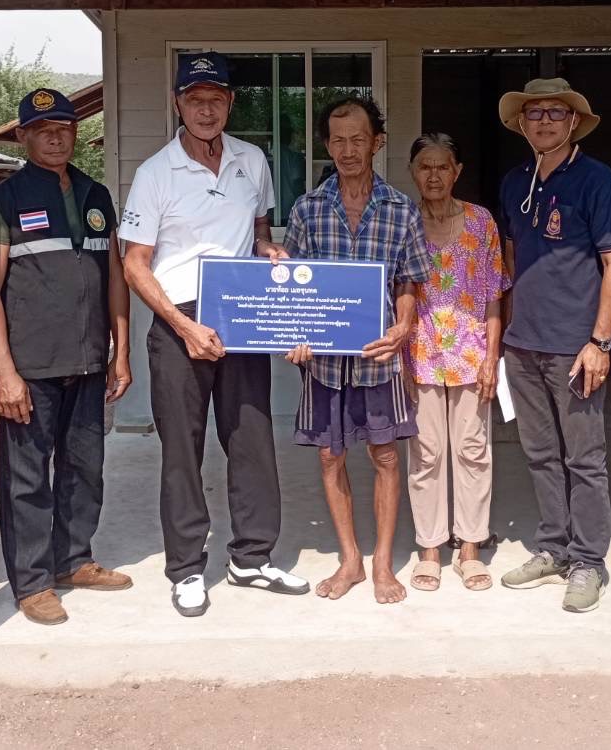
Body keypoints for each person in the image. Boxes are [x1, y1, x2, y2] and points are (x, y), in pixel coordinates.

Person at [120, 52, 309, 619]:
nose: (206, 109)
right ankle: (184, 568)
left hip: (242, 312)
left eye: (216, 99)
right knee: (183, 449)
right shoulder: (157, 171)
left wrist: (268, 251)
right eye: (195, 99)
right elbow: (135, 263)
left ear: (230, 103)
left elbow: (256, 233)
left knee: (251, 438)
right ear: (179, 104)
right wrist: (183, 326)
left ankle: (251, 557)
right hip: (180, 318)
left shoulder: (252, 160)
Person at [0, 88, 133, 627]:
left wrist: (119, 349)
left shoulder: (97, 196)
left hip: (90, 361)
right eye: (44, 129)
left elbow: (115, 278)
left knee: (84, 467)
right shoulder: (4, 201)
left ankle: (74, 560)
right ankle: (32, 581)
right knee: (27, 477)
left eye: (65, 128)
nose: (56, 137)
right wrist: (4, 370)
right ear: (24, 136)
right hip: (31, 366)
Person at [283, 95, 432, 604]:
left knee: (386, 455)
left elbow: (409, 282)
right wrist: (296, 333)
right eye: (338, 139)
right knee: (330, 455)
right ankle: (350, 560)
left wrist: (404, 326)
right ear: (327, 144)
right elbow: (295, 289)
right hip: (324, 362)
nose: (348, 149)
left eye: (358, 139)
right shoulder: (307, 208)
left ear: (377, 142)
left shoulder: (400, 210)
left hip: (378, 358)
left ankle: (384, 563)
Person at [495, 78, 611, 614]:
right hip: (522, 344)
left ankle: (589, 561)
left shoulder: (597, 180)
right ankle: (553, 547)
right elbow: (509, 261)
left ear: (573, 122)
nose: (544, 121)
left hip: (575, 347)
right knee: (540, 454)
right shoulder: (514, 181)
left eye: (555, 112)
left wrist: (599, 341)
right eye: (534, 113)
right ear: (522, 123)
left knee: (585, 458)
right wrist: (505, 334)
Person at [403, 133, 508, 594]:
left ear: (457, 171)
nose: (433, 175)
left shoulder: (480, 222)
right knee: (426, 451)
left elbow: (493, 297)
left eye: (442, 166)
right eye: (424, 167)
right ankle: (429, 548)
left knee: (472, 449)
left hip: (470, 355)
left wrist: (492, 356)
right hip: (420, 353)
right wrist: (399, 354)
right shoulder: (403, 221)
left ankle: (468, 547)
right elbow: (393, 292)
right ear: (413, 171)